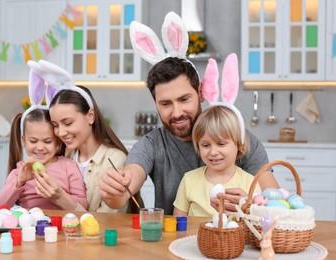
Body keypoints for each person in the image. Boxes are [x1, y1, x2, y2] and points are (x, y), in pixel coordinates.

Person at [98, 12, 278, 215]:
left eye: (184, 99)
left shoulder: (240, 139)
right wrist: (114, 191)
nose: (177, 113)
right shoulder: (151, 145)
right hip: (174, 243)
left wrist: (251, 204)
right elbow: (126, 186)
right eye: (165, 103)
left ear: (200, 93)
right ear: (155, 103)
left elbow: (276, 201)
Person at [27, 59, 142, 213]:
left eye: (67, 123)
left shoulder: (115, 160)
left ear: (90, 116)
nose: (60, 132)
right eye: (55, 125)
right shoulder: (63, 155)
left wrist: (60, 197)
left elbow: (106, 223)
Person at [173, 53, 261, 216]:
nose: (213, 152)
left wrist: (249, 207)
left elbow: (259, 224)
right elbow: (179, 224)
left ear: (238, 144)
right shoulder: (189, 180)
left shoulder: (250, 183)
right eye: (206, 145)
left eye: (221, 144)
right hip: (195, 241)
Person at [0, 109, 88, 211]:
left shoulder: (69, 166)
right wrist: (19, 182)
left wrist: (59, 194)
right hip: (29, 226)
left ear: (57, 142)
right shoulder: (21, 170)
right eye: (33, 141)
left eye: (47, 141)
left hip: (62, 225)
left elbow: (83, 206)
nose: (40, 147)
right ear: (24, 140)